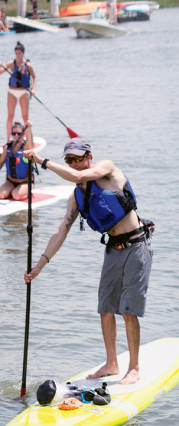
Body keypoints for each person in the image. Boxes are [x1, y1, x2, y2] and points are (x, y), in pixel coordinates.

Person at [23, 137, 152, 386]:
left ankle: (134, 367)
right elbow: (61, 231)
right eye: (69, 160)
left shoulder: (107, 169)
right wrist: (39, 266)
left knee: (127, 310)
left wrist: (42, 160)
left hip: (137, 247)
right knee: (105, 307)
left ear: (88, 156)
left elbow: (80, 177)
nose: (74, 164)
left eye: (78, 159)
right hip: (113, 250)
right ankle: (111, 363)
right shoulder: (76, 197)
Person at [0, 42, 36, 143]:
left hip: (23, 92)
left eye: (19, 53)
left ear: (23, 53)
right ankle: (8, 140)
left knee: (25, 117)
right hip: (12, 92)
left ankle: (28, 141)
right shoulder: (11, 63)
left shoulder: (28, 65)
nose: (17, 56)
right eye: (16, 53)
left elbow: (34, 77)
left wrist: (33, 89)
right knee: (10, 115)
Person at [0, 119, 32, 200]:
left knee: (16, 196)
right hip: (10, 181)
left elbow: (31, 147)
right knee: (1, 195)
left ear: (23, 134)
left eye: (19, 133)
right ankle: (13, 191)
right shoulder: (8, 147)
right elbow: (0, 161)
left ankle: (26, 193)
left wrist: (29, 129)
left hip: (25, 182)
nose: (16, 135)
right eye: (14, 133)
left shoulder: (25, 147)